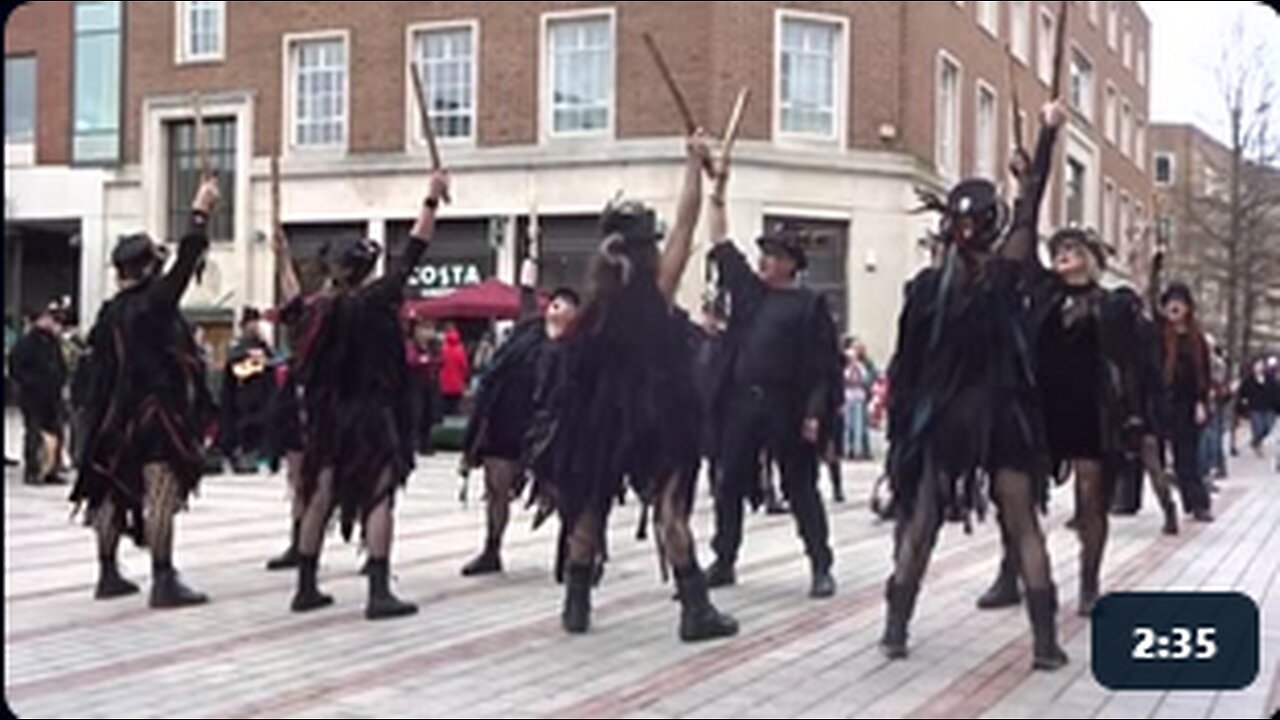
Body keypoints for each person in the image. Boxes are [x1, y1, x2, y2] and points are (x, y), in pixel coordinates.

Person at [526, 130, 737, 642]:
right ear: (647, 249)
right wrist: (692, 166)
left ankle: (576, 604)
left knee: (590, 507)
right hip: (655, 418)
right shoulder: (655, 289)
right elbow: (686, 228)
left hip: (596, 423)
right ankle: (694, 610)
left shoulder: (593, 307)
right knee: (670, 509)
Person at [881, 101, 1069, 670]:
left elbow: (905, 367)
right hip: (1001, 414)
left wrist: (900, 437)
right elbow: (1030, 212)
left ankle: (895, 628)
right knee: (1022, 521)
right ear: (991, 226)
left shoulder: (925, 288)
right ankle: (1044, 643)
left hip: (943, 418)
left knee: (923, 520)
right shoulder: (1006, 277)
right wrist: (1047, 133)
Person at [288, 170, 450, 621]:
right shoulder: (379, 297)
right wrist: (431, 201)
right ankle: (378, 591)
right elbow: (415, 249)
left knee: (318, 495)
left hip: (327, 416)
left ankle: (305, 585)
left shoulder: (320, 311)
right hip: (370, 413)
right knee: (379, 496)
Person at [71, 175, 220, 607]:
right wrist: (201, 209)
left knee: (112, 489)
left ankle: (107, 572)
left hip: (114, 415)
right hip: (156, 413)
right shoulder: (155, 303)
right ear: (149, 267)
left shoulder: (110, 312)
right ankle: (163, 579)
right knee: (160, 491)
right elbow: (188, 259)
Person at [704, 200, 842, 599]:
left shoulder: (809, 305)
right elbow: (721, 241)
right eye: (764, 253)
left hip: (787, 406)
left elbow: (822, 367)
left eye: (775, 255)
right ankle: (724, 559)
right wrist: (718, 193)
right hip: (742, 404)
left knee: (800, 486)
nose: (765, 260)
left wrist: (815, 412)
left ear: (792, 265)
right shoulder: (749, 293)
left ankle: (820, 564)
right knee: (728, 482)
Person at [458, 256, 580, 577]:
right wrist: (528, 274)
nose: (558, 307)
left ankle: (570, 554)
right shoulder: (528, 329)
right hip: (506, 421)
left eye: (566, 304)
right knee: (496, 488)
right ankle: (492, 548)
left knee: (562, 491)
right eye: (555, 302)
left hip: (549, 431)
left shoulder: (577, 348)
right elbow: (526, 302)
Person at [1148, 249, 1214, 524]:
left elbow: (1203, 374)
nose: (1175, 307)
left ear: (1188, 307)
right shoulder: (1159, 334)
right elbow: (1150, 302)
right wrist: (1154, 271)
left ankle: (1197, 503)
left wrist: (1201, 401)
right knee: (1156, 459)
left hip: (1187, 405)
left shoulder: (1197, 339)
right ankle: (1166, 504)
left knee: (1188, 458)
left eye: (1180, 302)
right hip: (1160, 402)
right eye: (1170, 302)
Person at [9, 302, 69, 486]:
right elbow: (16, 367)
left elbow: (60, 364)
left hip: (52, 396)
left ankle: (52, 469)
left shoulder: (52, 342)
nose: (51, 322)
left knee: (56, 432)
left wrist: (60, 380)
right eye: (48, 318)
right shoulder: (27, 342)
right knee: (34, 433)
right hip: (33, 396)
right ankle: (33, 470)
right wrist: (31, 383)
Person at [218, 307, 275, 474]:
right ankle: (241, 456)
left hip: (260, 398)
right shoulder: (239, 348)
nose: (255, 327)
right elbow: (235, 372)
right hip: (243, 399)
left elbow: (269, 368)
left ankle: (259, 458)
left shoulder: (262, 347)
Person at [1238, 358, 1276, 459]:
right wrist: (1244, 401)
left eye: (1261, 364)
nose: (1259, 367)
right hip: (1255, 407)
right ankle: (1258, 444)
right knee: (1258, 428)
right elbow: (1243, 391)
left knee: (1268, 427)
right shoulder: (1249, 379)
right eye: (1257, 365)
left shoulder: (1269, 378)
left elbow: (1276, 390)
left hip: (1268, 406)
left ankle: (1255, 441)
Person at [438, 323, 469, 417]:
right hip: (457, 384)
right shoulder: (460, 349)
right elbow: (464, 366)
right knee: (455, 409)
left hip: (443, 384)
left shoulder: (442, 349)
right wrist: (464, 379)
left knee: (444, 408)